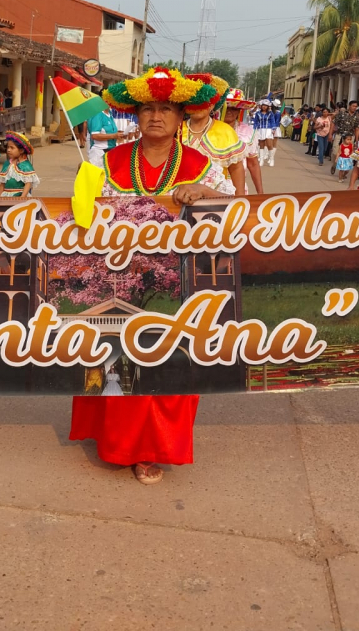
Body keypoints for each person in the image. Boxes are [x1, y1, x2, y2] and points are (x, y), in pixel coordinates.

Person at [70, 66, 232, 485]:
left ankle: (151, 450)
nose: (155, 116)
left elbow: (235, 206)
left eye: (165, 109)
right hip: (115, 276)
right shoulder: (107, 159)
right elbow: (80, 213)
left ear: (181, 118)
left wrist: (205, 193)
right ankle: (118, 444)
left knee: (168, 363)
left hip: (177, 284)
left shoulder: (201, 164)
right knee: (115, 361)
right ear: (135, 116)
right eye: (146, 109)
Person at [180, 74, 250, 195]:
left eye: (203, 101)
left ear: (213, 104)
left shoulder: (225, 131)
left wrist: (239, 202)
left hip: (215, 200)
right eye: (193, 100)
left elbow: (236, 169)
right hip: (178, 198)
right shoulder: (176, 129)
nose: (198, 106)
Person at [221, 89, 263, 194]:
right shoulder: (208, 129)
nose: (229, 111)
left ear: (239, 111)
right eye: (226, 107)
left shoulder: (248, 132)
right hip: (211, 187)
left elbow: (253, 164)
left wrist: (260, 193)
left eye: (234, 108)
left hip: (238, 187)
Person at [0, 131, 39, 197]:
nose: (8, 150)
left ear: (21, 150)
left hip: (19, 196)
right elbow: (2, 184)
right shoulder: (7, 164)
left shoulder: (26, 166)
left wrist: (22, 198)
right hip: (6, 196)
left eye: (12, 148)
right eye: (8, 147)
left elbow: (28, 184)